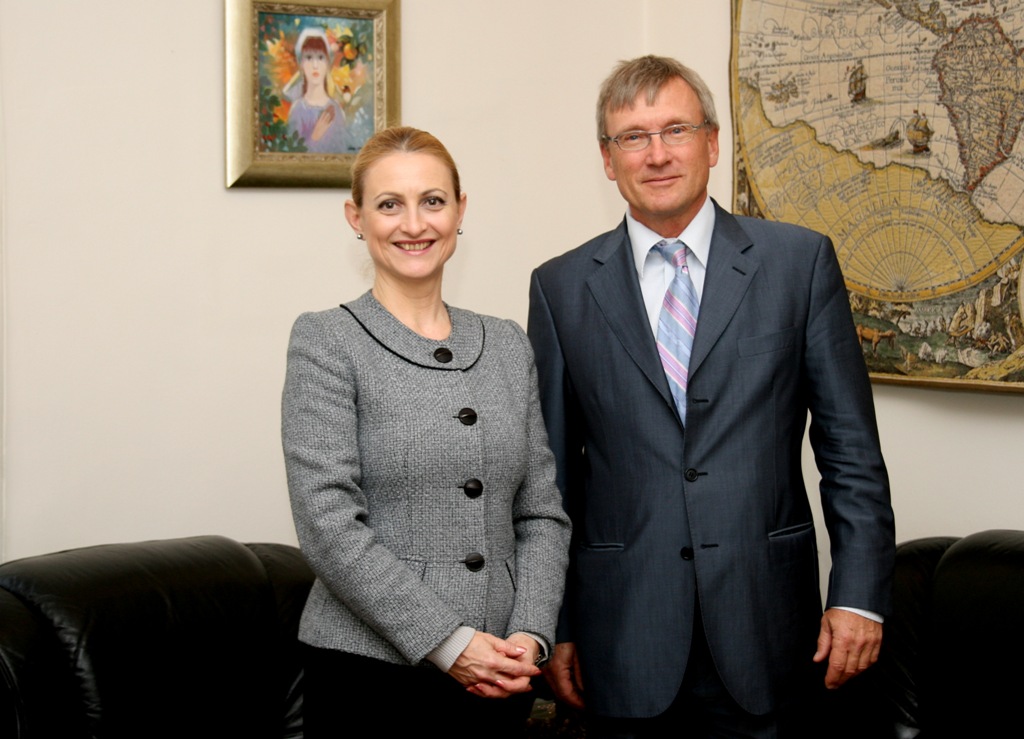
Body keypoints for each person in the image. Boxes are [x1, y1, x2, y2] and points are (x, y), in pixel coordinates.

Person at [527, 55, 895, 737]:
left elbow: (851, 452)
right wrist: (558, 621)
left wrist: (861, 596)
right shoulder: (560, 288)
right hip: (623, 636)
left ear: (713, 142)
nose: (657, 154)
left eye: (676, 129)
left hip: (768, 627)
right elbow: (553, 482)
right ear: (608, 160)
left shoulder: (800, 263)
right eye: (633, 137)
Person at [283, 126, 571, 735]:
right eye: (390, 204)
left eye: (433, 201)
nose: (414, 223)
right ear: (355, 217)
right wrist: (447, 642)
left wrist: (531, 635)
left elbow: (541, 514)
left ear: (460, 211)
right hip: (369, 682)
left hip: (500, 675)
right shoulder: (326, 341)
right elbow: (327, 523)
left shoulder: (506, 345)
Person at [285, 27, 350, 153]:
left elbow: (344, 155)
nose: (315, 65)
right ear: (302, 64)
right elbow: (290, 157)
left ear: (327, 64)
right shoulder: (297, 110)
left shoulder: (335, 110)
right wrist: (314, 137)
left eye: (320, 57)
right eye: (309, 57)